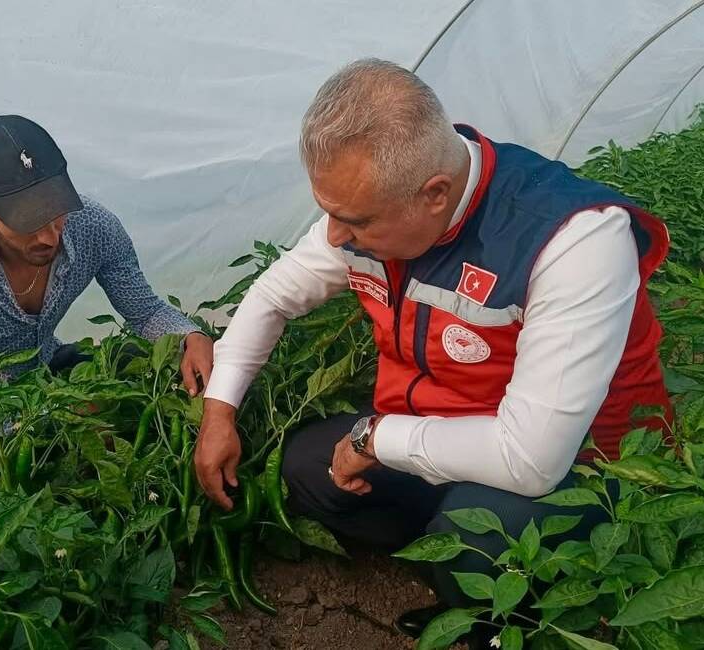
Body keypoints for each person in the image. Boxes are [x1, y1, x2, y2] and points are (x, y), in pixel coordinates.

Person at [193, 59, 671, 644]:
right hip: (441, 430)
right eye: (329, 213)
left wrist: (376, 438)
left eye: (353, 221)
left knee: (478, 531)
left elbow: (531, 458)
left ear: (434, 194)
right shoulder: (374, 210)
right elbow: (272, 295)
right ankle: (458, 579)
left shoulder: (574, 238)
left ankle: (506, 621)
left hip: (588, 466)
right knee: (307, 468)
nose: (335, 237)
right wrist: (220, 411)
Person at [0, 114, 214, 492]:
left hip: (47, 364)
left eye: (56, 214)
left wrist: (190, 336)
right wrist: (53, 415)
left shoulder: (94, 226)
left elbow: (146, 310)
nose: (49, 237)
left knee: (147, 369)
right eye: (28, 223)